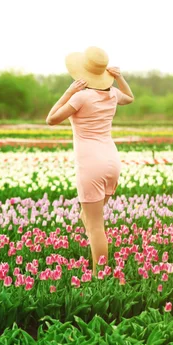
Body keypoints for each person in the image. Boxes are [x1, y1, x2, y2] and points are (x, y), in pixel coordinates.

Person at [46, 46, 134, 274]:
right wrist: (120, 78)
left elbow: (51, 119)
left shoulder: (81, 96)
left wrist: (68, 93)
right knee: (87, 217)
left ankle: (99, 275)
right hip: (111, 161)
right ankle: (98, 268)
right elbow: (130, 98)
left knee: (96, 226)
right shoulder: (113, 94)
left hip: (91, 165)